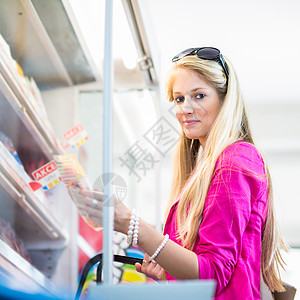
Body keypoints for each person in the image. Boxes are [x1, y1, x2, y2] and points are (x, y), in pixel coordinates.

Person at [80, 47, 286, 299]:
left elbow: (214, 275)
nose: (185, 109)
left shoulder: (236, 159)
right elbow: (204, 277)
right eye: (179, 99)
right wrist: (166, 273)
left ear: (224, 99)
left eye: (199, 95)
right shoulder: (206, 168)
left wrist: (136, 228)